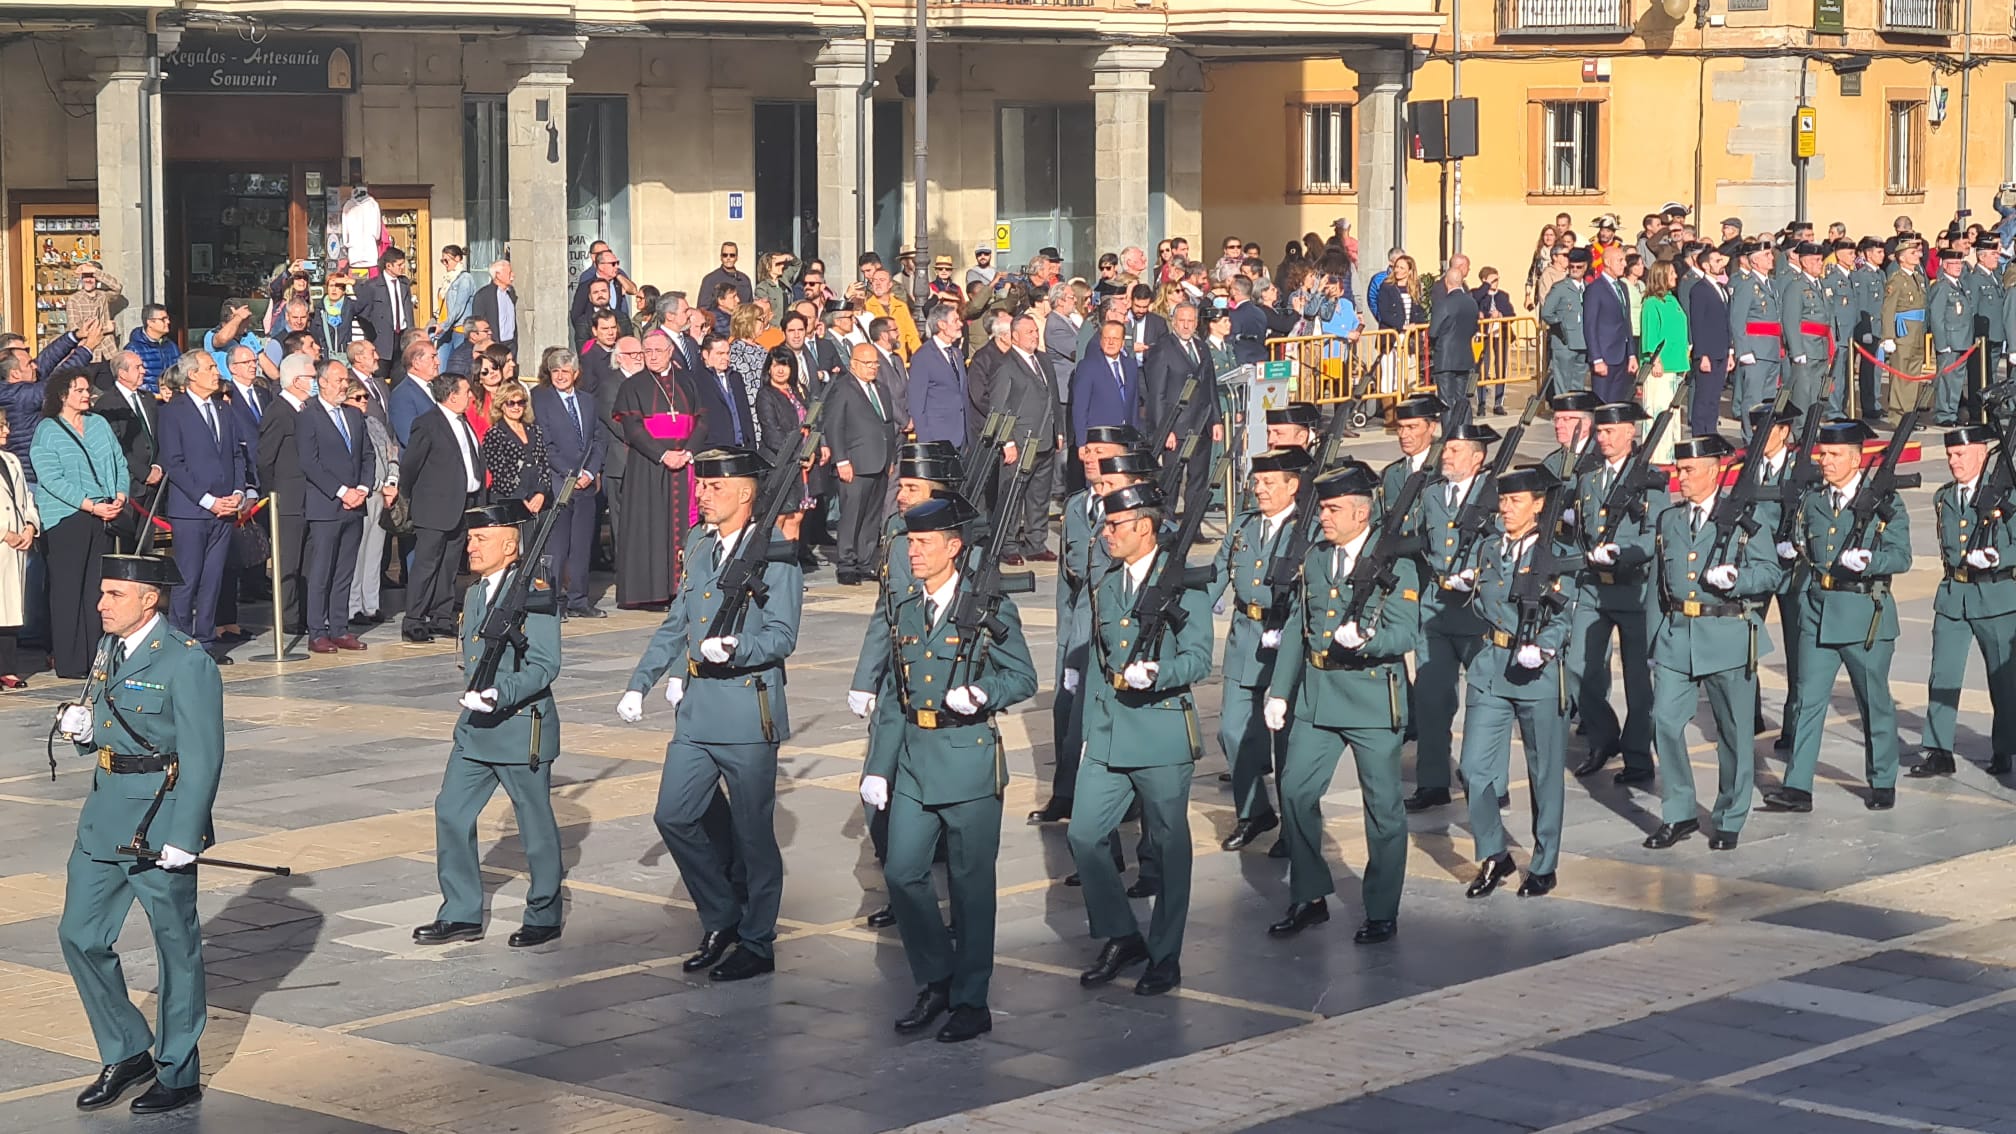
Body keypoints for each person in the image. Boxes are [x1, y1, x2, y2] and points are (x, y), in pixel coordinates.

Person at [616, 447, 802, 983]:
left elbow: (782, 635)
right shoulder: (699, 543)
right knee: (674, 814)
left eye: (714, 487)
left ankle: (757, 940)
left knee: (752, 835)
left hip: (747, 711)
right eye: (701, 485)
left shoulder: (776, 553)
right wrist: (642, 681)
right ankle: (721, 916)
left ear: (745, 493)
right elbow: (678, 620)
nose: (702, 493)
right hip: (697, 712)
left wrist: (737, 647)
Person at [858, 496, 1035, 1043]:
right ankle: (936, 977)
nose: (914, 552)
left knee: (970, 889)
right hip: (913, 758)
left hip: (967, 762)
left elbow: (1023, 677)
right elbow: (894, 693)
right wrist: (878, 767)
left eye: (924, 543)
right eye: (910, 542)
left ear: (954, 548)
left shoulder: (988, 606)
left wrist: (984, 691)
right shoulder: (905, 608)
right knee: (903, 873)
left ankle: (970, 999)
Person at [54, 551, 222, 1116]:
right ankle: (127, 1049)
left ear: (149, 599)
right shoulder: (109, 648)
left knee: (176, 947)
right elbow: (108, 721)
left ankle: (178, 1070)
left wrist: (187, 831)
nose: (101, 604)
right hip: (104, 816)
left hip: (159, 819)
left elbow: (203, 755)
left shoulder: (186, 661)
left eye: (114, 595)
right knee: (79, 934)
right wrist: (79, 731)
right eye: (102, 593)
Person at [1067, 482, 1214, 997]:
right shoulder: (1106, 584)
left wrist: (1161, 671)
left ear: (1143, 528)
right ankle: (1122, 933)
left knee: (1170, 847)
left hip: (1160, 728)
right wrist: (1086, 736)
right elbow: (1099, 667)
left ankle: (1165, 953)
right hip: (1109, 730)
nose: (1105, 534)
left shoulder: (1183, 584)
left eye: (1114, 526)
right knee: (1083, 835)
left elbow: (1200, 658)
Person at [1263, 463, 1419, 941]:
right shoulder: (1315, 559)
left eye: (1332, 509)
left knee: (1383, 808)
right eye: (1323, 508)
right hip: (1318, 698)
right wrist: (1280, 690)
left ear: (1360, 511)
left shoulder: (1396, 562)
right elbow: (1298, 628)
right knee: (1294, 792)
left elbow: (1406, 631)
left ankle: (1381, 908)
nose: (1324, 517)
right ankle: (1309, 894)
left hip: (1372, 698)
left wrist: (1366, 639)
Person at [411, 501, 566, 949]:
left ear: (510, 543)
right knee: (451, 812)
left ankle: (544, 912)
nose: (470, 547)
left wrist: (502, 693)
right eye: (471, 538)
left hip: (520, 727)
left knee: (534, 826)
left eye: (481, 539)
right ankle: (460, 912)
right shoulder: (477, 592)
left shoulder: (533, 590)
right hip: (476, 729)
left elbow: (544, 664)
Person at [1644, 435, 1782, 852]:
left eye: (1688, 470)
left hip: (1727, 634)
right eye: (1677, 470)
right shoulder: (1670, 520)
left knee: (1734, 733)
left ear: (1713, 471)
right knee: (1664, 722)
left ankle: (1729, 816)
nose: (1680, 478)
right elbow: (1656, 587)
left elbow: (1770, 572)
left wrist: (1738, 580)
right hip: (1676, 637)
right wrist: (1654, 642)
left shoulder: (1744, 517)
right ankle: (1680, 811)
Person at [1766, 419, 1912, 813]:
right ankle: (1797, 786)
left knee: (1873, 701)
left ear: (1854, 458)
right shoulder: (1812, 500)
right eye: (1822, 454)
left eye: (1832, 455)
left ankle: (1882, 779)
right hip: (1817, 610)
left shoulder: (1883, 501)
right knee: (1808, 700)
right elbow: (1802, 539)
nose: (1824, 461)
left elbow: (1902, 556)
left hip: (1863, 614)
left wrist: (1871, 560)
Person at [1450, 465, 1580, 898]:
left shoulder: (1556, 551)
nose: (1506, 509)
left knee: (1544, 773)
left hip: (1536, 672)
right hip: (1491, 665)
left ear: (1539, 505)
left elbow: (1566, 613)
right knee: (1472, 768)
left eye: (1516, 501)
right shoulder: (1489, 549)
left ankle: (1544, 863)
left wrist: (1544, 645)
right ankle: (1494, 853)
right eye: (1503, 501)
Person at [1209, 447, 1312, 854]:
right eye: (1257, 481)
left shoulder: (1307, 530)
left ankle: (1291, 825)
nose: (1260, 489)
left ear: (1293, 486)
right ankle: (1254, 811)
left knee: (1286, 739)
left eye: (1270, 482)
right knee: (1232, 730)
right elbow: (1217, 574)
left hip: (1286, 632)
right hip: (1245, 635)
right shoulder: (1244, 526)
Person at [1403, 420, 1503, 812]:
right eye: (1447, 449)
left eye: (1456, 450)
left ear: (1478, 458)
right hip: (1437, 609)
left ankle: (1492, 780)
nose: (1447, 454)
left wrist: (1478, 576)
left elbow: (1505, 543)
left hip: (1477, 610)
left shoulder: (1493, 494)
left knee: (1487, 700)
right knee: (1431, 698)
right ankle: (1432, 781)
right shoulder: (1432, 495)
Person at [1909, 425, 2016, 777]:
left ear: (1982, 455)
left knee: (2004, 679)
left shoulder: (2006, 496)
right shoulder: (1944, 497)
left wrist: (1999, 558)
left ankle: (2005, 749)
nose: (1954, 462)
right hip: (1954, 594)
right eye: (1951, 455)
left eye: (1961, 455)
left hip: (1996, 594)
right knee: (1943, 674)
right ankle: (1939, 749)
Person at [1565, 402, 1657, 786]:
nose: (1602, 439)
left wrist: (1624, 552)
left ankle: (1637, 756)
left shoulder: (1650, 478)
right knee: (1576, 666)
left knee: (1638, 680)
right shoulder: (1589, 479)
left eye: (1610, 432)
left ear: (1630, 433)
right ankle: (1603, 738)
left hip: (1633, 590)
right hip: (1593, 589)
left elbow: (1656, 533)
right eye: (1599, 432)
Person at [153, 353, 254, 663]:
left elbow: (237, 455)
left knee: (213, 579)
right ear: (191, 375)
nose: (215, 372)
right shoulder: (174, 412)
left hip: (225, 509)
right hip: (192, 510)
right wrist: (208, 500)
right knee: (188, 579)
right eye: (210, 367)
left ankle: (206, 642)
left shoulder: (223, 409)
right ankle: (180, 642)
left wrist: (237, 492)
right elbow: (174, 462)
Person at [611, 335, 698, 608]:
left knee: (683, 526)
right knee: (651, 527)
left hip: (685, 463)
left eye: (658, 350)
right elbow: (632, 428)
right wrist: (662, 454)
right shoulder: (632, 385)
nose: (652, 355)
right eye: (647, 350)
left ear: (670, 351)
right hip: (648, 466)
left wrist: (688, 451)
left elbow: (703, 419)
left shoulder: (686, 381)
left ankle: (681, 587)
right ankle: (651, 592)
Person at [297, 362, 375, 653]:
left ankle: (340, 628)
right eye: (339, 380)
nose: (344, 385)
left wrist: (363, 490)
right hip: (326, 505)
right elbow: (309, 462)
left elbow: (367, 456)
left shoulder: (354, 416)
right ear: (323, 382)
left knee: (345, 570)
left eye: (346, 380)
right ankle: (317, 631)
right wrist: (341, 491)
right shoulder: (309, 416)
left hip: (355, 505)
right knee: (322, 571)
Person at [400, 373, 484, 645]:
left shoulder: (463, 421)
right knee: (427, 564)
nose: (470, 396)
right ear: (451, 396)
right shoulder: (427, 424)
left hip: (463, 504)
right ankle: (414, 619)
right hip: (435, 506)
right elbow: (411, 465)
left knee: (449, 564)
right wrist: (413, 496)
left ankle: (442, 616)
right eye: (466, 391)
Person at [525, 355, 602, 619]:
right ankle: (556, 600)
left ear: (576, 373)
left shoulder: (587, 400)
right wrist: (571, 473)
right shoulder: (541, 399)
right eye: (555, 370)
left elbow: (597, 439)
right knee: (557, 546)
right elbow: (545, 444)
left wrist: (590, 472)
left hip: (586, 483)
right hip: (560, 481)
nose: (559, 375)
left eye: (565, 371)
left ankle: (578, 599)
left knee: (581, 545)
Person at [990, 314, 1065, 561]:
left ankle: (1036, 542)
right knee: (1013, 495)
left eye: (1035, 331)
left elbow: (1053, 396)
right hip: (1021, 442)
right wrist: (1007, 442)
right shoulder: (1005, 365)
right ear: (1014, 336)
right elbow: (999, 407)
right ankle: (1008, 545)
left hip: (1045, 438)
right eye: (1029, 332)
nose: (1035, 335)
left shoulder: (1042, 360)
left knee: (1039, 496)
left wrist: (1059, 430)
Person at [825, 342, 899, 584]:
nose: (873, 368)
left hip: (879, 461)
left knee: (871, 515)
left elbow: (888, 425)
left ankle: (866, 561)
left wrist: (890, 459)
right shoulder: (843, 388)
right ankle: (846, 563)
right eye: (868, 363)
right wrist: (841, 460)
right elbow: (834, 425)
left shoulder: (881, 389)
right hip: (855, 464)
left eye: (876, 363)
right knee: (852, 515)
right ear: (853, 364)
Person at [257, 355, 315, 637]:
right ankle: (289, 618)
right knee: (288, 561)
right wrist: (274, 495)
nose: (314, 383)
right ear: (296, 381)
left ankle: (306, 614)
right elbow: (265, 458)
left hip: (309, 496)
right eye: (312, 378)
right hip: (287, 497)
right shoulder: (278, 412)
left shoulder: (308, 410)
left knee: (307, 561)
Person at [1638, 262, 1690, 461]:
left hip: (1675, 365)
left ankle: (1670, 453)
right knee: (1659, 410)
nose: (1675, 276)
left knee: (1673, 412)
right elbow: (1650, 335)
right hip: (1660, 366)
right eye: (1671, 273)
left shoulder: (1672, 300)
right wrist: (1655, 360)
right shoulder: (1651, 302)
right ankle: (1657, 455)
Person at [1729, 242, 1785, 422]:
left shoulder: (1773, 284)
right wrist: (1743, 350)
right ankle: (1749, 438)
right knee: (1753, 399)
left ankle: (1764, 435)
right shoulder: (1747, 285)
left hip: (1772, 349)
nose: (1771, 258)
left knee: (1768, 399)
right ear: (1754, 261)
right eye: (1767, 255)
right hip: (1755, 350)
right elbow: (1737, 320)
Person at [0, 413, 36, 688]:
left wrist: (29, 526)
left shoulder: (11, 460)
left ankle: (7, 668)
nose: (6, 430)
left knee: (10, 607)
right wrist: (5, 533)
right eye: (1, 426)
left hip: (15, 547)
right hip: (3, 542)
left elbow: (26, 497)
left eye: (7, 424)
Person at [1687, 243, 1735, 436]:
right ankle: (1700, 434)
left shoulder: (1722, 288)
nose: (1720, 263)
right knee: (1704, 396)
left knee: (1715, 396)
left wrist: (1730, 351)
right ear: (1706, 266)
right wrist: (1702, 354)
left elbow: (1727, 322)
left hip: (1722, 350)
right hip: (1707, 352)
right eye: (1716, 261)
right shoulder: (1699, 289)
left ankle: (1711, 432)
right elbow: (1697, 324)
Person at [1072, 320, 1146, 448]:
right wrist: (1082, 444)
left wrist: (1134, 440)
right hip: (1099, 440)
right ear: (1101, 340)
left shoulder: (1130, 365)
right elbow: (1080, 408)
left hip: (1125, 440)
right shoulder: (1088, 366)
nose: (1111, 342)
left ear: (1123, 342)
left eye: (1116, 338)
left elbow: (1133, 405)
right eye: (1107, 338)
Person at [1878, 237, 1928, 419]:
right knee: (1900, 375)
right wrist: (1888, 337)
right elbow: (1888, 309)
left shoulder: (1918, 277)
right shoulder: (1897, 280)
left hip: (1916, 332)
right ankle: (1898, 416)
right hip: (1903, 332)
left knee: (1913, 376)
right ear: (1901, 258)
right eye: (1912, 253)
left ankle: (1909, 415)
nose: (1917, 256)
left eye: (1917, 252)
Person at [352, 247, 419, 374]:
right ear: (388, 266)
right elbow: (361, 310)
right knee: (381, 375)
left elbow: (408, 310)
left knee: (400, 375)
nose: (402, 267)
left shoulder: (404, 283)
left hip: (402, 336)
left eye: (403, 264)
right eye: (399, 265)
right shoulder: (373, 285)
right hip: (382, 339)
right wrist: (372, 331)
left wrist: (411, 333)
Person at [1583, 247, 1637, 404]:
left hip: (1622, 356)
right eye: (1620, 260)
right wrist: (1596, 358)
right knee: (1602, 403)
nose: (1624, 264)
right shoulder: (1595, 289)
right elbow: (1590, 326)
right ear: (1607, 262)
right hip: (1605, 356)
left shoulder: (1622, 287)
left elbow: (1626, 321)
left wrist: (1632, 354)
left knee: (1618, 403)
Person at [911, 305, 970, 447]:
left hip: (962, 435)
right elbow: (916, 403)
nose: (960, 324)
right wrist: (926, 442)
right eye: (955, 321)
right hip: (937, 436)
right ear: (942, 325)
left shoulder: (956, 353)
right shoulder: (923, 356)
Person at [1429, 256, 1482, 412]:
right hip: (1465, 356)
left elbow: (1433, 331)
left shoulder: (1443, 303)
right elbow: (1474, 328)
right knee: (1463, 400)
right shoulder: (1471, 302)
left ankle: (1449, 434)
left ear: (1447, 282)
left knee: (1446, 401)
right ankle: (1463, 431)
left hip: (1445, 358)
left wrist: (1436, 346)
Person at [1541, 248, 1590, 393]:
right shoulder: (1560, 288)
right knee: (1563, 382)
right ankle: (1563, 414)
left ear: (1585, 267)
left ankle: (1575, 412)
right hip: (1564, 342)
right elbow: (1547, 312)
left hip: (1583, 342)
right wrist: (1561, 325)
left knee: (1578, 382)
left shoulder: (1588, 288)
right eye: (1572, 266)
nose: (1574, 270)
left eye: (1579, 267)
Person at [471, 261, 519, 360]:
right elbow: (478, 323)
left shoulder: (511, 293)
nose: (513, 275)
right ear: (498, 275)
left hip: (511, 345)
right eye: (509, 273)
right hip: (494, 346)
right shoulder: (483, 295)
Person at [126, 306, 180, 393]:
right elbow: (129, 381)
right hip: (148, 400)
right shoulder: (133, 349)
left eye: (168, 318)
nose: (168, 322)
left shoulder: (172, 346)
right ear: (150, 323)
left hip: (172, 399)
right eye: (163, 319)